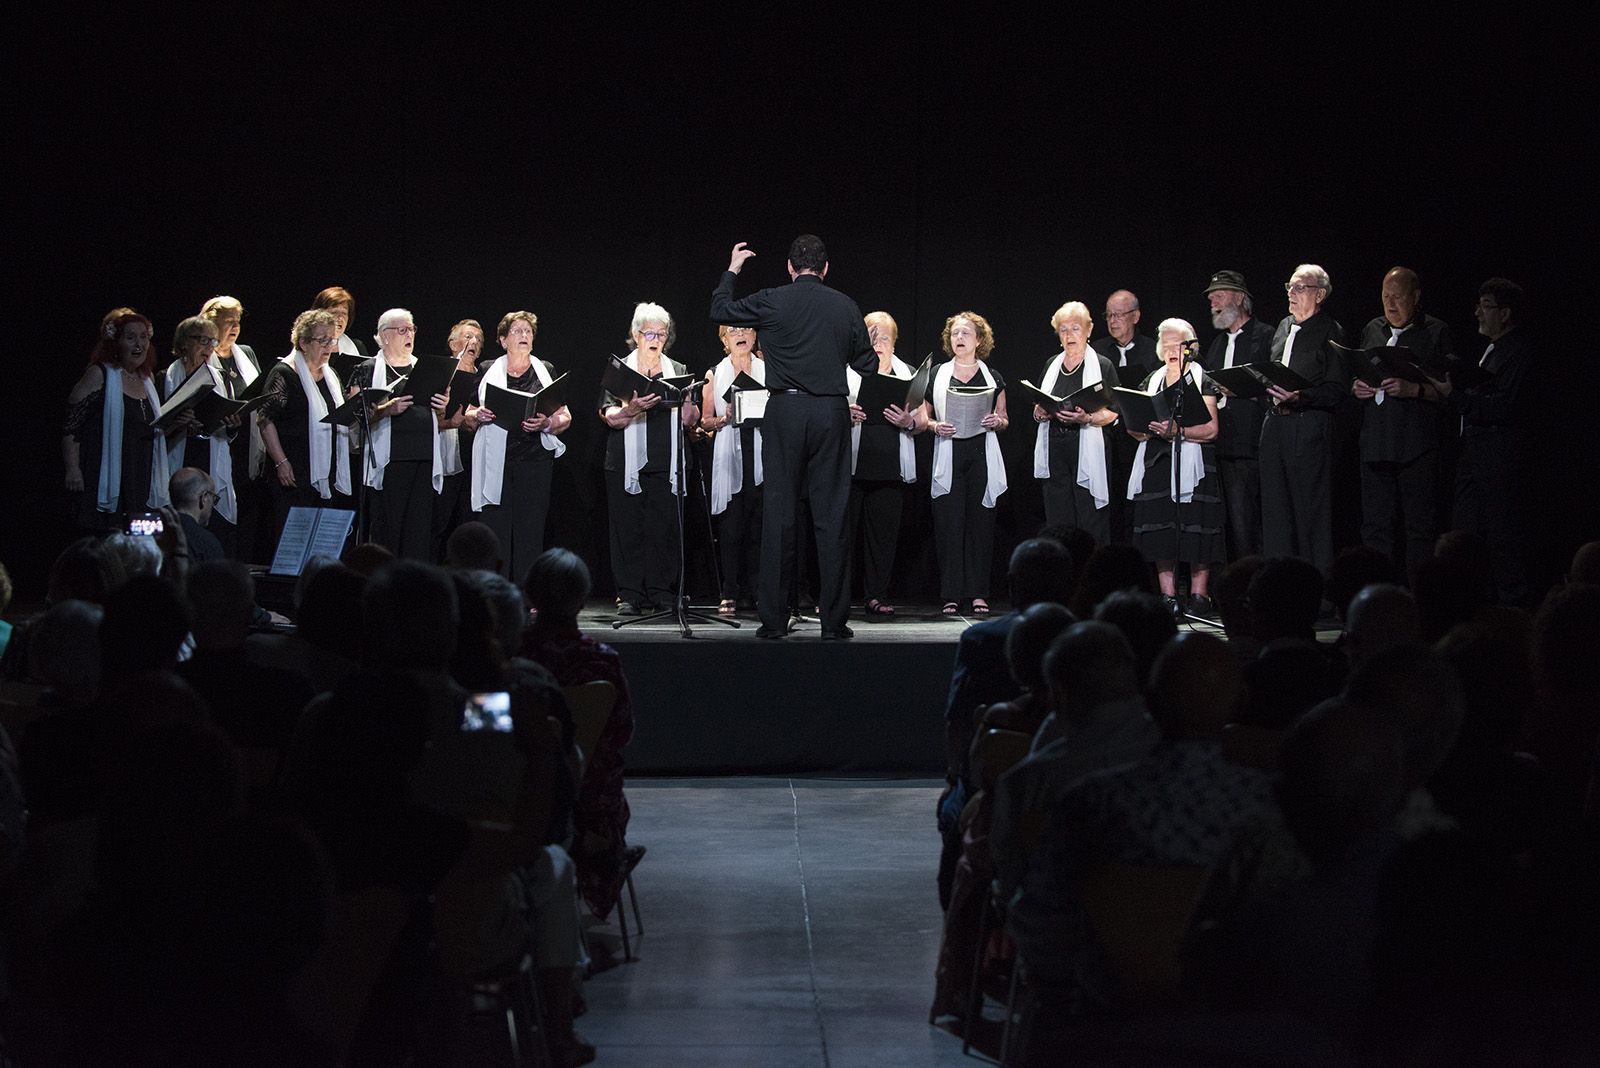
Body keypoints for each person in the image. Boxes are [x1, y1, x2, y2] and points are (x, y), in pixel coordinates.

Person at [709, 235, 877, 639]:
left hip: (783, 411)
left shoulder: (772, 299)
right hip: (830, 413)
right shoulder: (844, 304)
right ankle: (834, 623)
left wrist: (733, 269)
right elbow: (868, 363)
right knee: (832, 516)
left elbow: (719, 309)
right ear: (825, 267)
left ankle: (773, 621)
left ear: (789, 267)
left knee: (779, 514)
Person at [520, 548, 641, 923]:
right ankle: (600, 857)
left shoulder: (512, 656)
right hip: (589, 791)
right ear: (582, 599)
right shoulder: (601, 660)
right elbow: (623, 731)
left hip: (518, 784)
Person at [1429, 278, 1533, 604]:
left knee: (1502, 540)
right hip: (1475, 455)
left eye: (1486, 307)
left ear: (1505, 314)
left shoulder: (1519, 350)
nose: (1477, 313)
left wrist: (1456, 396)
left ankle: (1512, 615)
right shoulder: (1492, 350)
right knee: (1465, 535)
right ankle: (1470, 607)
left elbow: (1505, 405)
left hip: (1498, 458)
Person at [1352, 267, 1455, 580]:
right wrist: (1357, 387)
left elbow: (1450, 394)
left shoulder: (1436, 331)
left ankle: (1419, 600)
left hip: (1416, 444)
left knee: (1419, 529)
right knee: (1375, 528)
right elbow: (1357, 373)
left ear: (1416, 297)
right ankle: (1376, 600)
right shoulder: (1373, 329)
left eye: (1398, 297)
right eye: (1386, 297)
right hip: (1376, 442)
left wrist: (1415, 390)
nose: (1391, 304)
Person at [600, 303, 699, 614]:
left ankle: (660, 592)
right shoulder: (620, 368)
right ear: (635, 334)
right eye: (649, 333)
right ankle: (628, 594)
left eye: (662, 333)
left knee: (663, 529)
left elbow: (691, 419)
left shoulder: (678, 370)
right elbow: (608, 415)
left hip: (667, 463)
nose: (656, 338)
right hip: (625, 463)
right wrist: (631, 409)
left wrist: (689, 408)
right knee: (627, 529)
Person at [1124, 318, 1224, 616]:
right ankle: (1168, 595)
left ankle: (1199, 595)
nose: (1171, 349)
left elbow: (1211, 429)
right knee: (1160, 529)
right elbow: (1135, 426)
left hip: (1192, 459)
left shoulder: (1201, 378)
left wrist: (1177, 432)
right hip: (1155, 460)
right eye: (1166, 344)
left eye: (1178, 344)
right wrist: (1141, 427)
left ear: (1189, 348)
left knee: (1196, 524)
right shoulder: (1151, 381)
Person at [468, 311, 571, 587]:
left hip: (534, 461)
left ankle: (528, 594)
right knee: (496, 530)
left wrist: (547, 423)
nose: (524, 335)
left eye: (528, 332)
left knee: (530, 531)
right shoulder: (486, 369)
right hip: (495, 463)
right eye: (517, 331)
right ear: (503, 340)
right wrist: (476, 415)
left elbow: (565, 416)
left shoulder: (544, 369)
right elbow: (465, 414)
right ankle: (496, 589)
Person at [1259, 264, 1349, 571]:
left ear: (1319, 294)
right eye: (1290, 287)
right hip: (1275, 425)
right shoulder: (1283, 326)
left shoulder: (1331, 331)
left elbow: (1337, 389)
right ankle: (1280, 582)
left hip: (1308, 426)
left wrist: (1302, 397)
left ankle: (1319, 590)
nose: (1291, 293)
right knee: (1275, 510)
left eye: (1300, 288)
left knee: (1310, 512)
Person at [920, 311, 1009, 614]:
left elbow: (1004, 418)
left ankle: (978, 592)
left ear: (979, 339)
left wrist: (997, 420)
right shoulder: (937, 374)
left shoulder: (993, 376)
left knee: (980, 525)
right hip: (949, 449)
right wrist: (934, 426)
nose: (959, 338)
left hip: (981, 451)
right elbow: (922, 418)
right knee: (949, 523)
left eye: (966, 333)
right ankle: (951, 593)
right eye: (955, 333)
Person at [63, 309, 181, 533]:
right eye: (131, 337)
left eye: (144, 337)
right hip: (104, 473)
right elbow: (71, 424)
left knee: (138, 542)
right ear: (116, 343)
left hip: (140, 476)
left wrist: (177, 423)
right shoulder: (100, 375)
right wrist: (72, 468)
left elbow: (148, 431)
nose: (139, 344)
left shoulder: (147, 380)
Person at [357, 308, 449, 561]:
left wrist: (442, 407)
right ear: (384, 336)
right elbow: (357, 418)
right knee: (389, 529)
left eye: (412, 329)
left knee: (418, 532)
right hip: (390, 461)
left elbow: (440, 420)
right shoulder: (367, 368)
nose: (409, 334)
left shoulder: (427, 367)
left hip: (424, 457)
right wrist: (387, 409)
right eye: (402, 330)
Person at [846, 311, 921, 618]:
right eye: (871, 336)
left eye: (884, 337)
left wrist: (908, 421)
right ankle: (836, 595)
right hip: (850, 465)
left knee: (883, 537)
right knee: (842, 534)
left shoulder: (908, 373)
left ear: (894, 342)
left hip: (889, 467)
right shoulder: (845, 370)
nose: (877, 343)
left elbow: (923, 421)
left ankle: (876, 595)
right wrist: (843, 412)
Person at [256, 309, 354, 544]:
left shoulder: (331, 375)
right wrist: (281, 461)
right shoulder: (285, 373)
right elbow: (265, 419)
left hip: (325, 470)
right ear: (303, 342)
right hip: (293, 470)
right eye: (323, 340)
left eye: (332, 339)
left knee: (321, 541)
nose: (330, 345)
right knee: (293, 538)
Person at [1201, 270, 1275, 561]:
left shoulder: (1266, 336)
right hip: (1220, 445)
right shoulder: (1218, 343)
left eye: (1219, 294)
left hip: (1251, 445)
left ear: (1241, 298)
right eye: (1211, 296)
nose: (1211, 300)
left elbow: (1274, 385)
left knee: (1249, 524)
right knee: (1225, 525)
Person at [1032, 302, 1119, 546]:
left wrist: (1088, 418)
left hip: (1087, 446)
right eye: (1063, 330)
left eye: (1075, 329)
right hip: (1055, 448)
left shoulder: (1102, 365)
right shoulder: (1052, 364)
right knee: (1059, 521)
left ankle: (1091, 576)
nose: (1069, 335)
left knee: (1090, 517)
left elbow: (1114, 412)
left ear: (1089, 331)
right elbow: (1040, 402)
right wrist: (1040, 413)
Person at [162, 315, 245, 555]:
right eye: (203, 341)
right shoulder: (164, 379)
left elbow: (225, 431)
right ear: (184, 343)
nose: (210, 349)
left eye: (213, 342)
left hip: (210, 461)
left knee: (216, 533)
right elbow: (154, 431)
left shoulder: (219, 378)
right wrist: (177, 424)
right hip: (180, 462)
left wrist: (232, 425)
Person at [698, 324, 766, 613]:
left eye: (747, 330)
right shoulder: (715, 373)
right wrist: (724, 418)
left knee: (759, 527)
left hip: (761, 451)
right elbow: (703, 422)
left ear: (754, 336)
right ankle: (730, 591)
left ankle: (758, 591)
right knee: (731, 527)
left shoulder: (768, 369)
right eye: (733, 331)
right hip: (729, 452)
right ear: (724, 339)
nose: (741, 335)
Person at [199, 296, 269, 561]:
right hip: (217, 445)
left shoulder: (246, 354)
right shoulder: (204, 355)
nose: (235, 326)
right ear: (212, 322)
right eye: (229, 321)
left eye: (237, 321)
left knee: (248, 514)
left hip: (248, 448)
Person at [433, 318, 488, 560]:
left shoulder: (485, 375)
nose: (473, 342)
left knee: (469, 518)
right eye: (467, 337)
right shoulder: (441, 371)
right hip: (446, 450)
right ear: (452, 344)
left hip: (475, 452)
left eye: (478, 339)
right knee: (440, 517)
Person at [169, 467, 226, 564]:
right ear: (204, 498)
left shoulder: (153, 532)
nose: (212, 505)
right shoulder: (207, 543)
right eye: (214, 498)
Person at [312, 285, 367, 359]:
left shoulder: (358, 346)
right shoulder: (307, 345)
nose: (340, 318)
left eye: (344, 313)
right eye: (334, 312)